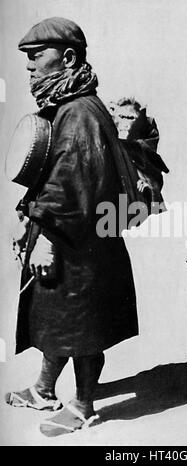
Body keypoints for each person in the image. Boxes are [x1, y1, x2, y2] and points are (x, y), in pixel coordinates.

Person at [5, 17, 138, 437]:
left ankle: (83, 405)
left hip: (78, 244)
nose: (28, 67)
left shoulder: (79, 112)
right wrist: (29, 214)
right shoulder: (67, 105)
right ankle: (45, 389)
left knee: (82, 324)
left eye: (37, 56)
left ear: (67, 58)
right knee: (53, 316)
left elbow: (71, 182)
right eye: (26, 58)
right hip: (67, 236)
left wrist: (43, 236)